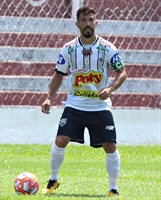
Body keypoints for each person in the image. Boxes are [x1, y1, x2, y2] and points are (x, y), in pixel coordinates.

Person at [41, 6, 127, 197]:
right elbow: (58, 75)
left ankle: (113, 188)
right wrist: (48, 98)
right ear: (77, 24)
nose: (88, 24)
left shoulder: (107, 48)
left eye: (91, 20)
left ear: (95, 23)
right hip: (75, 105)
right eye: (84, 20)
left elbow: (122, 72)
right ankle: (53, 179)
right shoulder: (69, 49)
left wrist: (110, 88)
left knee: (110, 145)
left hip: (100, 106)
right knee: (60, 140)